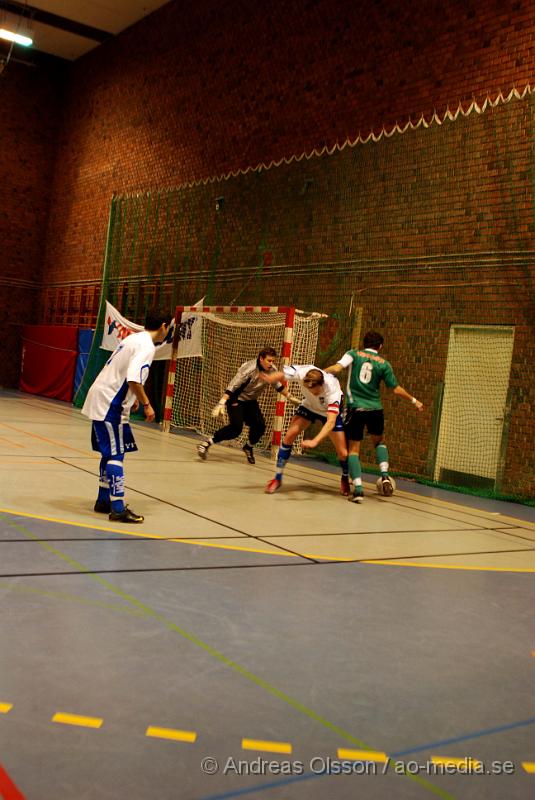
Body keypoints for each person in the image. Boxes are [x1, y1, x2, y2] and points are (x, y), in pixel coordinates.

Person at [82, 307, 172, 523]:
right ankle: (118, 508)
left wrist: (130, 400)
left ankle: (103, 500)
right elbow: (133, 378)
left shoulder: (133, 339)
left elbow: (123, 373)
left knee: (108, 453)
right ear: (163, 326)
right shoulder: (147, 346)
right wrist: (146, 404)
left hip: (103, 396)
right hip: (109, 404)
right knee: (116, 455)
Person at [326, 331, 423, 503]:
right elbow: (395, 388)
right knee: (379, 441)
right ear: (380, 346)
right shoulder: (384, 364)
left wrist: (317, 372)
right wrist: (414, 400)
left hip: (356, 408)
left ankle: (358, 490)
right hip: (375, 410)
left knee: (354, 450)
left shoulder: (353, 354)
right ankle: (385, 475)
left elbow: (337, 368)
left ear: (364, 343)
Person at [197, 347, 298, 463]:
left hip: (250, 401)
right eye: (269, 361)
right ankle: (206, 443)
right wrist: (222, 402)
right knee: (236, 428)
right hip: (236, 398)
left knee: (260, 426)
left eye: (273, 361)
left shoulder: (272, 370)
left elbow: (278, 386)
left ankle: (248, 447)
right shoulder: (249, 368)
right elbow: (233, 385)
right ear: (261, 358)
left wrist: (291, 397)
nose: (271, 364)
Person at [261, 364, 349, 495]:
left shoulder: (332, 392)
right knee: (289, 436)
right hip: (309, 406)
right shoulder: (303, 373)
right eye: (310, 389)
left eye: (316, 391)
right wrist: (270, 378)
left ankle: (345, 478)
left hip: (328, 413)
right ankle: (277, 478)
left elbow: (330, 422)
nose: (313, 393)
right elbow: (282, 374)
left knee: (343, 453)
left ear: (322, 384)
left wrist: (315, 441)